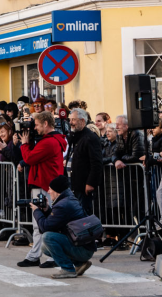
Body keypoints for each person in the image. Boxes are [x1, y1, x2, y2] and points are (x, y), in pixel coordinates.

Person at [17, 111, 67, 268]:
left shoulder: (49, 142)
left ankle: (50, 256)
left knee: (46, 223)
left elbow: (30, 158)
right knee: (39, 223)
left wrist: (24, 144)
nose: (35, 128)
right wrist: (29, 142)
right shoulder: (48, 140)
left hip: (46, 187)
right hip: (43, 185)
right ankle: (35, 255)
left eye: (37, 125)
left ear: (46, 124)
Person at [32, 174, 97, 279]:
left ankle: (68, 269)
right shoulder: (68, 199)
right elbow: (54, 223)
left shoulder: (63, 205)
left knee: (47, 237)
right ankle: (80, 264)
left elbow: (45, 227)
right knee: (46, 248)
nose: (48, 192)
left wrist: (36, 211)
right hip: (84, 246)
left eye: (50, 189)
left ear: (57, 191)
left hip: (83, 249)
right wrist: (47, 209)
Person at [66, 109, 103, 215]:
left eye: (73, 120)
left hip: (83, 185)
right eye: (70, 119)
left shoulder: (90, 138)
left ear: (82, 121)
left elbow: (96, 162)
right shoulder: (75, 136)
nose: (71, 122)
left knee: (83, 214)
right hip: (73, 184)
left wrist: (90, 183)